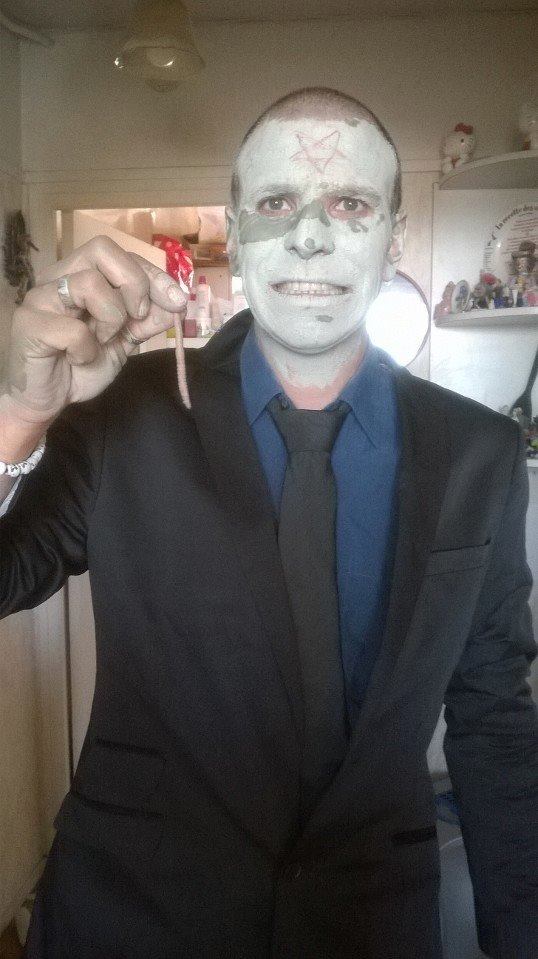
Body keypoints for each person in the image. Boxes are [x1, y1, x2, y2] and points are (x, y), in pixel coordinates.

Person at [0, 87, 536, 959]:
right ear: (236, 230)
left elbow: (495, 717)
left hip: (369, 925)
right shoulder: (119, 410)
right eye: (278, 202)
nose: (311, 235)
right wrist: (20, 411)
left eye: (350, 203)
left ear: (395, 237)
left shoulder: (480, 452)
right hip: (133, 918)